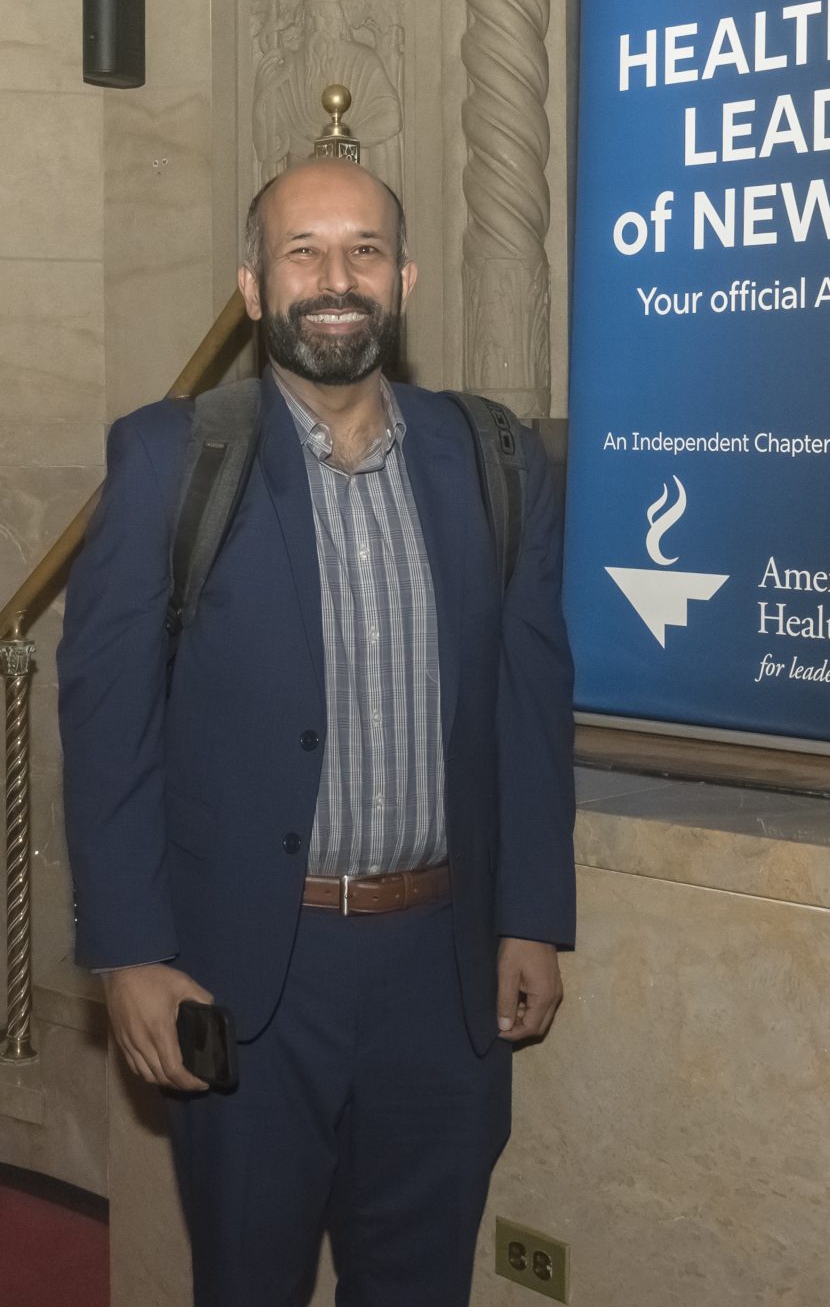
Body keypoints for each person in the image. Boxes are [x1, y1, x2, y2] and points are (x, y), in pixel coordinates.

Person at [58, 158, 576, 1307]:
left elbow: (531, 701)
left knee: (419, 1284)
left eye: (364, 251)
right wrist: (131, 954)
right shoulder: (170, 458)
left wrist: (532, 917)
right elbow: (106, 722)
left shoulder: (493, 462)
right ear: (253, 285)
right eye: (304, 252)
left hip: (442, 976)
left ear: (404, 281)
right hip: (245, 978)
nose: (336, 278)